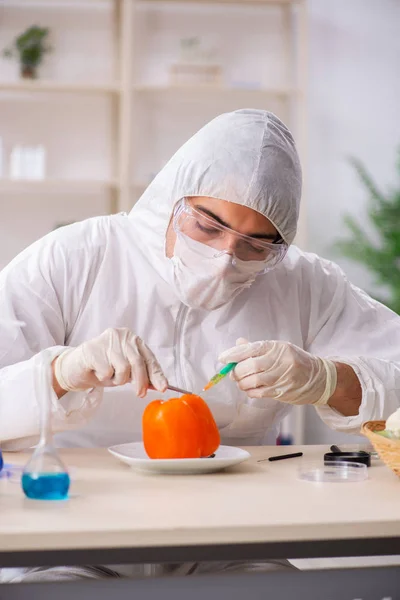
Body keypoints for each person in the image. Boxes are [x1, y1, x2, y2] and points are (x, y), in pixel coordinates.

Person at [1, 109, 399, 582]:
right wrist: (61, 373)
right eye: (207, 228)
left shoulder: (304, 283)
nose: (223, 261)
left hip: (232, 534)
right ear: (171, 199)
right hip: (74, 530)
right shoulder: (74, 257)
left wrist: (328, 379)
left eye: (255, 247)